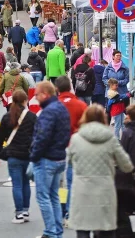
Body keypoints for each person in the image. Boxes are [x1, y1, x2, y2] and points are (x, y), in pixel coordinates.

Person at [68, 105, 135, 238]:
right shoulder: (111, 139)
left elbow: (70, 161)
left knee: (83, 229)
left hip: (82, 191)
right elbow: (127, 166)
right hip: (105, 192)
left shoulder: (76, 139)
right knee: (106, 230)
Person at [30, 81, 72, 238]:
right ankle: (56, 231)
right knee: (54, 196)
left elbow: (42, 137)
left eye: (37, 95)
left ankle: (50, 232)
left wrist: (34, 156)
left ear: (45, 94)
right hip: (60, 157)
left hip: (46, 159)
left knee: (43, 197)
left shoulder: (48, 111)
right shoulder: (61, 108)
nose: (35, 98)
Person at [0, 89, 38, 224]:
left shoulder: (7, 117)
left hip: (13, 155)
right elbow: (37, 136)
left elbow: (0, 138)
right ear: (25, 101)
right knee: (26, 184)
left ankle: (18, 213)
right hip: (28, 154)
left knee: (17, 185)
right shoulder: (31, 116)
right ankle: (25, 210)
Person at [54, 75, 87, 225]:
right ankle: (70, 211)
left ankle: (61, 212)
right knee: (72, 180)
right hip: (76, 147)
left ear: (57, 89)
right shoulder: (80, 105)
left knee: (61, 183)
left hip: (59, 149)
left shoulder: (54, 106)